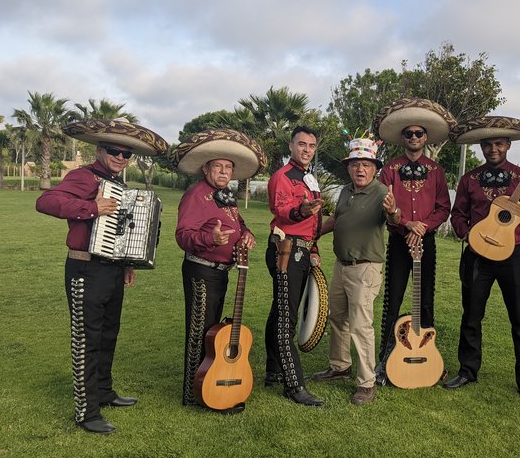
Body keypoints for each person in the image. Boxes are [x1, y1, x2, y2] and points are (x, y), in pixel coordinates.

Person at [36, 118, 168, 434]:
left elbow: (120, 230)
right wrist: (91, 207)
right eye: (114, 151)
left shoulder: (118, 183)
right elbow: (46, 201)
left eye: (127, 154)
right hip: (85, 268)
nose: (121, 158)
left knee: (109, 334)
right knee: (87, 340)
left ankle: (105, 391)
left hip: (111, 268)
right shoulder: (84, 177)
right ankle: (87, 412)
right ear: (100, 150)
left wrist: (126, 264)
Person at [445, 116, 520, 406]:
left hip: (513, 254)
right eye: (488, 144)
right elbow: (457, 215)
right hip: (478, 255)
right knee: (471, 315)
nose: (493, 148)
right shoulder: (469, 180)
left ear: (508, 145)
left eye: (499, 143)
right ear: (481, 146)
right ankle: (467, 370)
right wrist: (471, 235)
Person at [172, 129, 265, 408]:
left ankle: (210, 383)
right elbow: (182, 236)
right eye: (218, 166)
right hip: (201, 270)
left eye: (228, 167)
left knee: (213, 332)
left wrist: (246, 234)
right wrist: (209, 239)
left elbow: (239, 223)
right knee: (199, 331)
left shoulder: (225, 195)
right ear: (206, 168)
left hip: (221, 272)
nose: (224, 171)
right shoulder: (196, 195)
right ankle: (194, 393)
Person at [311, 135, 400, 405]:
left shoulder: (383, 193)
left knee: (361, 326)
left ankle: (366, 382)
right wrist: (312, 233)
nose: (360, 169)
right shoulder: (346, 191)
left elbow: (393, 218)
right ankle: (340, 366)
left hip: (365, 268)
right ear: (348, 167)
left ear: (375, 168)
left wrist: (394, 211)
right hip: (341, 265)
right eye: (355, 164)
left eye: (365, 164)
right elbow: (338, 220)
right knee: (338, 317)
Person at [372, 98, 454, 384]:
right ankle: (383, 361)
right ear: (403, 138)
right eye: (409, 133)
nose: (414, 138)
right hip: (398, 242)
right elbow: (383, 204)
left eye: (419, 133)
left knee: (426, 300)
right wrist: (407, 224)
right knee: (391, 301)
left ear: (426, 137)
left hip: (425, 243)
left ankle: (430, 357)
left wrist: (424, 227)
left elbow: (444, 208)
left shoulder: (437, 171)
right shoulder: (389, 170)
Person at [264, 125, 325, 406]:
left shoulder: (309, 178)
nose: (307, 150)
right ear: (291, 146)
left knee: (281, 309)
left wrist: (314, 248)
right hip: (285, 249)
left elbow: (313, 222)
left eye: (312, 146)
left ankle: (273, 370)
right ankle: (294, 384)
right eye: (302, 144)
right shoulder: (283, 176)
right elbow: (283, 212)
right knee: (286, 318)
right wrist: (300, 210)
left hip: (301, 250)